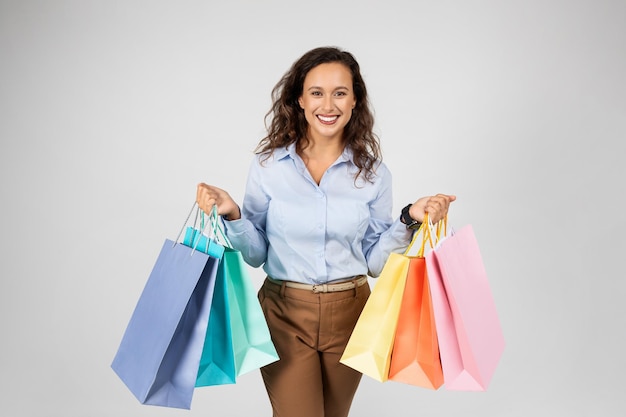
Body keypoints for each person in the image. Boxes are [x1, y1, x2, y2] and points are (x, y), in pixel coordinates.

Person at [196, 46, 455, 417]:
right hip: (285, 313)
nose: (328, 104)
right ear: (299, 99)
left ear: (354, 101)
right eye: (316, 92)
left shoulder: (374, 175)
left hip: (351, 315)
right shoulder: (269, 166)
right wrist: (233, 214)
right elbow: (255, 254)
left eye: (340, 92)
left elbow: (374, 263)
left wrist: (409, 218)